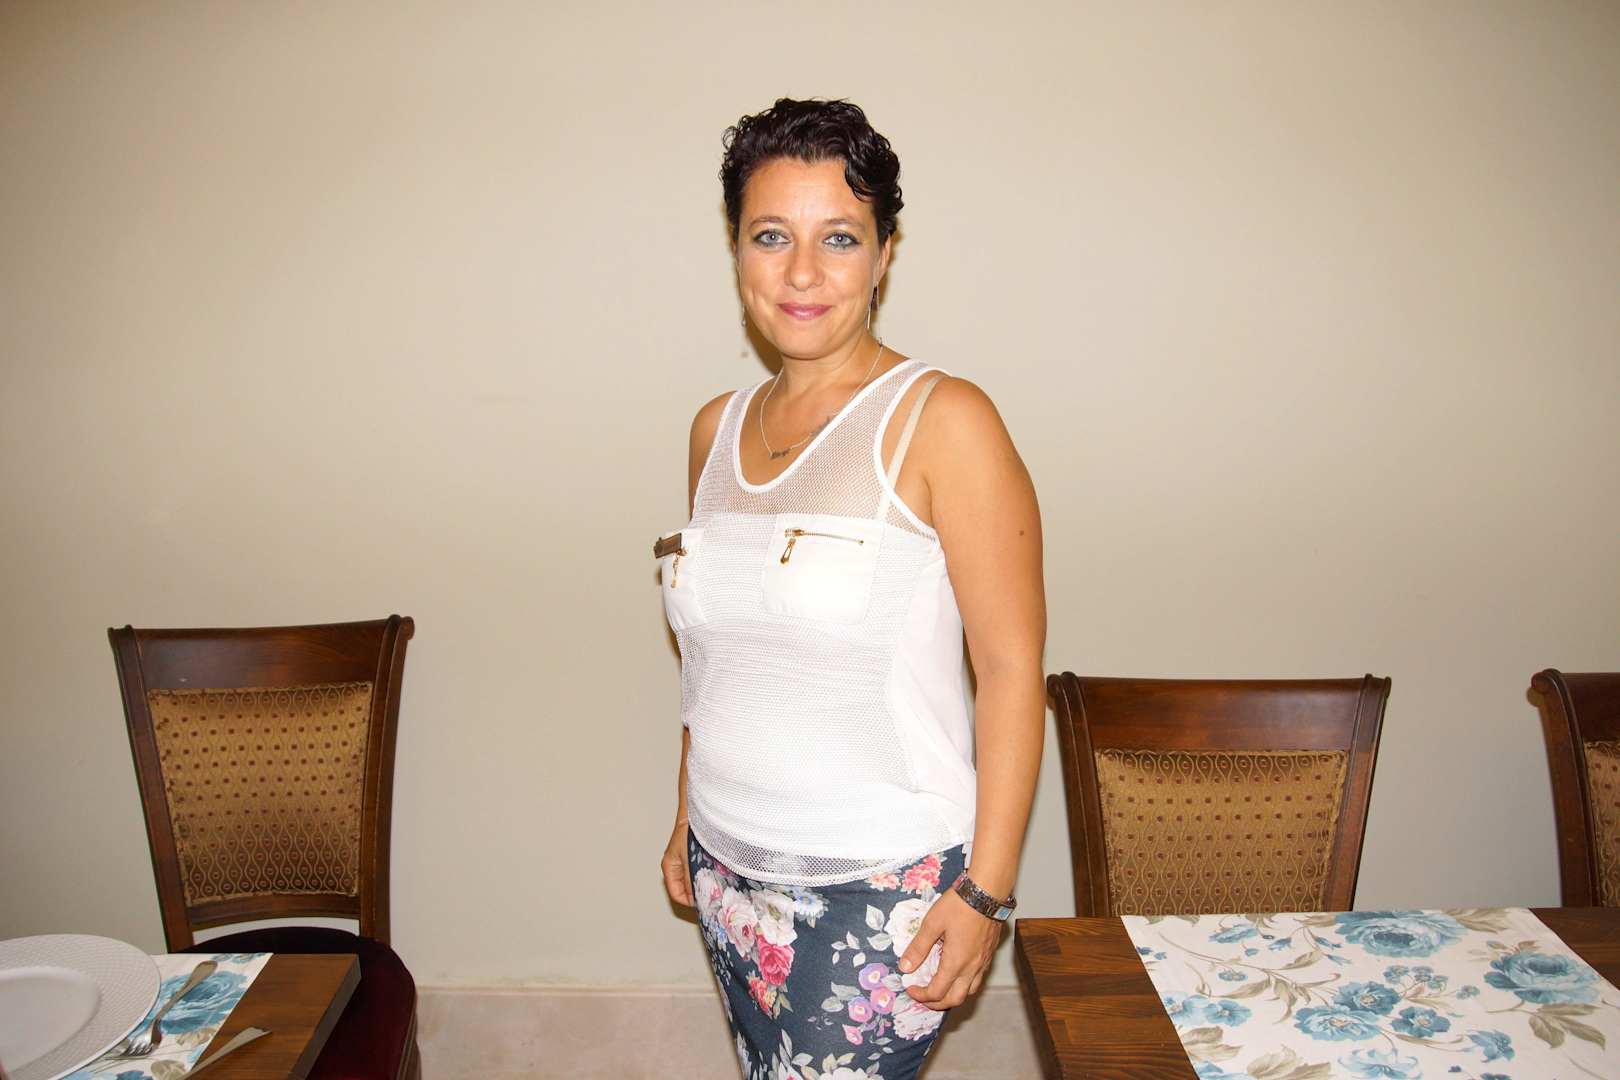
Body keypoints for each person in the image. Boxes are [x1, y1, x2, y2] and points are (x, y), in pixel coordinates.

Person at [656, 98, 1045, 1080]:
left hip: (880, 885)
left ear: (883, 255)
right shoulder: (712, 430)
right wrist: (684, 817)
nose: (801, 273)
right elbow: (713, 659)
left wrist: (986, 892)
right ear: (736, 250)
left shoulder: (944, 421)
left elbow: (1010, 668)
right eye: (770, 236)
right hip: (725, 860)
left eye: (838, 238)